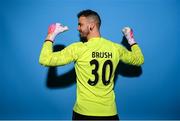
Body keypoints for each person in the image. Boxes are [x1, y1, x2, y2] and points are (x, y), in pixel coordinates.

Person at [39, 9, 144, 120]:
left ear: (91, 26)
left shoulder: (78, 49)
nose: (78, 28)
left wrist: (51, 35)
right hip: (109, 113)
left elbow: (45, 59)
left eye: (80, 24)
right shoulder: (115, 48)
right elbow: (139, 59)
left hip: (83, 113)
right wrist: (130, 39)